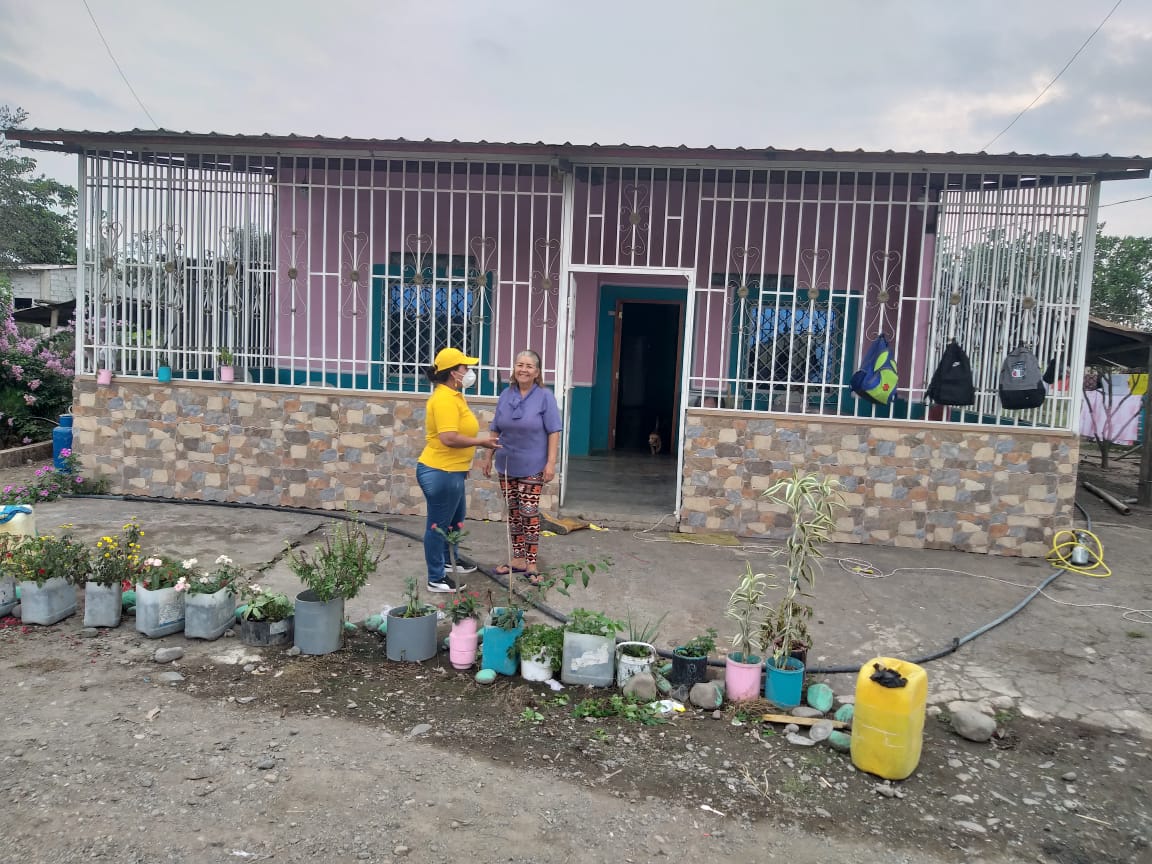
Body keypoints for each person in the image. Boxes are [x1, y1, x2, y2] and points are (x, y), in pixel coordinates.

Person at [417, 347, 500, 593]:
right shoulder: (444, 399)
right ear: (454, 373)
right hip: (440, 471)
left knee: (455, 520)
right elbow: (449, 438)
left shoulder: (454, 395)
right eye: (465, 367)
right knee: (438, 526)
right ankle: (436, 577)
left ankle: (449, 559)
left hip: (452, 470)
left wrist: (464, 465)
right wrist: (481, 442)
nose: (469, 371)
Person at [482, 349, 562, 581]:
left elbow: (554, 431)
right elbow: (496, 428)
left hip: (533, 464)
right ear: (514, 368)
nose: (523, 370)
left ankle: (531, 563)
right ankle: (517, 559)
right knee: (514, 512)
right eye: (520, 365)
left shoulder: (545, 396)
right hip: (506, 463)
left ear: (537, 372)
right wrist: (487, 456)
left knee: (528, 512)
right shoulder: (506, 395)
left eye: (529, 366)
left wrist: (550, 463)